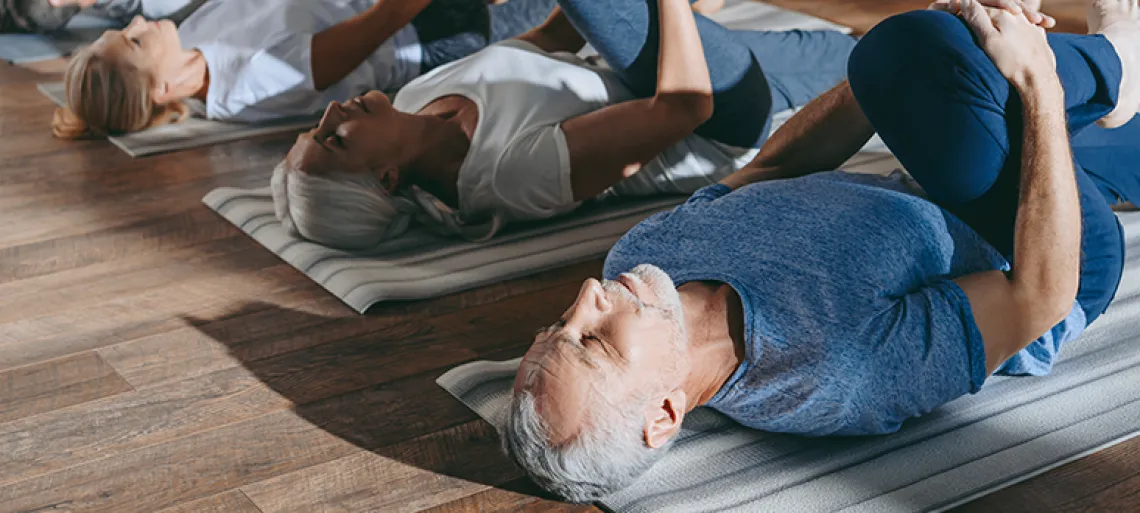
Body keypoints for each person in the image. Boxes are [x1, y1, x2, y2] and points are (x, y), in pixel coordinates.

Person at [500, 0, 1140, 502]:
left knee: (921, 58)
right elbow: (1041, 296)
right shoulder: (837, 374)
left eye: (561, 324)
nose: (587, 297)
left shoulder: (641, 262)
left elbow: (775, 168)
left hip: (941, 171)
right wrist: (1038, 80)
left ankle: (1103, 97)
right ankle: (1117, 60)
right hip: (1049, 254)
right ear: (664, 413)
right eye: (596, 340)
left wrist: (876, 88)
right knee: (916, 51)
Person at [271, 0, 857, 249]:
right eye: (334, 139)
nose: (330, 112)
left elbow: (551, 38)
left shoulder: (419, 98)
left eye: (314, 127)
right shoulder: (507, 176)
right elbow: (685, 109)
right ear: (388, 178)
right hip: (712, 114)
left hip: (647, 61)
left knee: (858, 55)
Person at [50, 0, 558, 138]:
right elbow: (383, 19)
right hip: (432, 31)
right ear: (160, 88)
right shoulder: (252, 85)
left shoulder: (195, 42)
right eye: (135, 40)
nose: (139, 20)